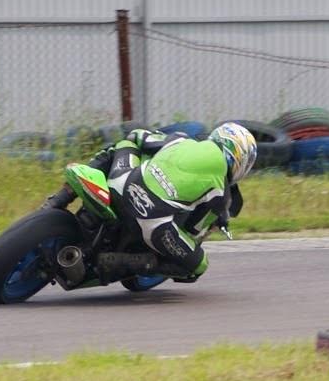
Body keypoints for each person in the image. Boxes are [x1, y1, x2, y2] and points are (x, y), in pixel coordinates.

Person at [55, 121, 257, 284]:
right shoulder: (222, 193)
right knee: (198, 265)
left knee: (126, 144)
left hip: (122, 184)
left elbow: (138, 136)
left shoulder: (180, 140)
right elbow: (193, 231)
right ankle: (115, 262)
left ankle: (59, 198)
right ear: (241, 162)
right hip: (152, 224)